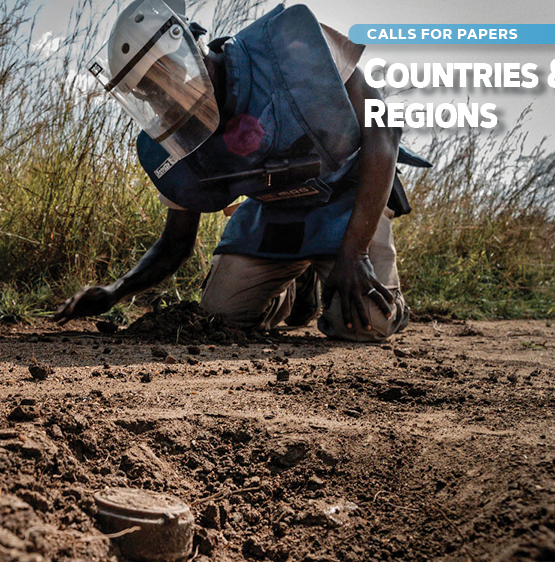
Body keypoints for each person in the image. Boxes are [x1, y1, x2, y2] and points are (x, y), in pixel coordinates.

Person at [54, 0, 428, 341]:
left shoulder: (287, 46)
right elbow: (175, 243)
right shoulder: (180, 140)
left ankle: (389, 302)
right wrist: (114, 291)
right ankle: (294, 288)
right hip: (275, 213)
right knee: (220, 317)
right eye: (148, 92)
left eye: (162, 79)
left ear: (188, 48)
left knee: (366, 322)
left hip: (345, 201)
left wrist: (355, 252)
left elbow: (384, 127)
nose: (160, 98)